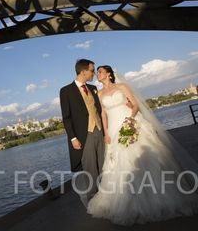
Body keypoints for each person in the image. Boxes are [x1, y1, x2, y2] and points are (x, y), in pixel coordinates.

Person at [87, 65, 198, 225]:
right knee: (117, 163)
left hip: (129, 122)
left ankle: (157, 197)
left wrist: (131, 120)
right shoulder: (100, 93)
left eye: (101, 71)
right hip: (113, 127)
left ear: (109, 74)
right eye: (97, 72)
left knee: (142, 156)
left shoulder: (122, 86)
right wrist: (106, 133)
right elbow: (103, 114)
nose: (98, 74)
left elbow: (135, 104)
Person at [59, 59, 105, 206]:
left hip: (100, 131)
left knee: (104, 166)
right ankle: (94, 203)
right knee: (90, 170)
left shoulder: (93, 88)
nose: (94, 73)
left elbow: (100, 110)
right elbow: (66, 118)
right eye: (92, 70)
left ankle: (107, 198)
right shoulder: (66, 91)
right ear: (83, 71)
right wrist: (73, 138)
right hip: (84, 136)